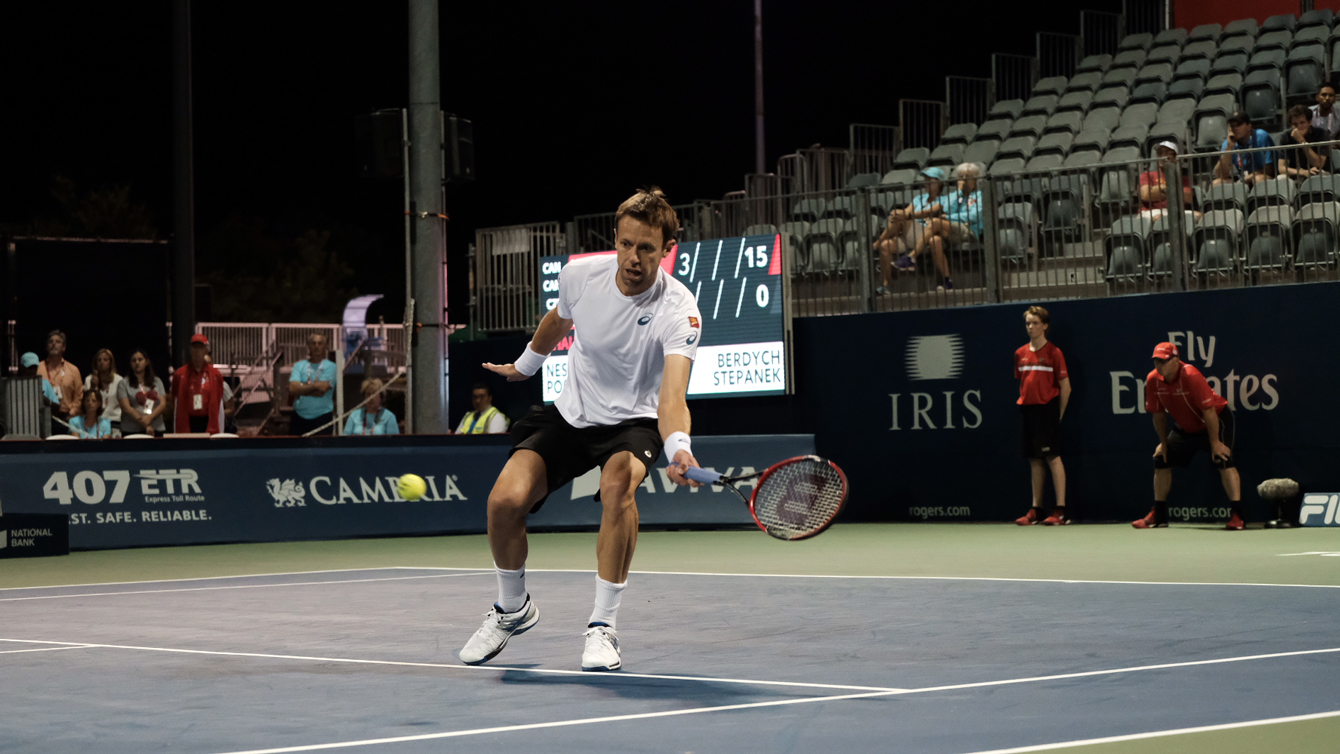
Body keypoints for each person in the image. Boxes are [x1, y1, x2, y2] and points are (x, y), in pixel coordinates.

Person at [458, 187, 703, 672]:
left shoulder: (681, 309)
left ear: (666, 250)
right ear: (616, 237)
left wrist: (680, 448)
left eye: (647, 248)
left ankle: (603, 627)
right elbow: (558, 319)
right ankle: (512, 609)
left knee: (618, 487)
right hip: (572, 415)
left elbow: (672, 398)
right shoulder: (580, 276)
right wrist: (526, 365)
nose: (634, 257)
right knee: (504, 501)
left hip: (634, 421)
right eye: (627, 244)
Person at [1133, 342, 1243, 531]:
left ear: (1176, 360)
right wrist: (1163, 443)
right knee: (1161, 458)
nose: (1160, 366)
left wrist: (1215, 442)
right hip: (1185, 427)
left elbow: (1208, 411)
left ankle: (1238, 516)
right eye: (1156, 362)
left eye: (1164, 362)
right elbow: (1158, 415)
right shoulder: (1153, 380)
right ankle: (1159, 515)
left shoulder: (1191, 375)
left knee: (1223, 459)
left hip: (1216, 419)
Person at [1013, 306, 1071, 526]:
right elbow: (1022, 381)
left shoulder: (1055, 353)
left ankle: (1061, 510)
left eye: (1035, 323)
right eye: (1028, 323)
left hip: (1048, 410)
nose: (1030, 327)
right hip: (1028, 410)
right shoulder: (1020, 353)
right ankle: (1036, 509)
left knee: (1052, 457)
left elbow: (1066, 387)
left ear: (1045, 326)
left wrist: (1058, 414)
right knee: (1034, 459)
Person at [874, 167, 948, 293]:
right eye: (925, 180)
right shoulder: (918, 199)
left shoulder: (945, 199)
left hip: (927, 234)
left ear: (939, 182)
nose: (926, 183)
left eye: (930, 180)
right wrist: (899, 215)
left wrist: (905, 215)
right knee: (886, 245)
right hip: (910, 234)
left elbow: (930, 211)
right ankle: (886, 285)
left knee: (899, 215)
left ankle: (875, 244)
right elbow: (907, 211)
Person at [170, 334, 226, 434]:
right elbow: (174, 399)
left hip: (207, 420)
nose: (197, 350)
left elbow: (219, 400)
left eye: (201, 347)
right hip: (187, 420)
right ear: (190, 349)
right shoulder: (180, 374)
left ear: (206, 350)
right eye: (195, 347)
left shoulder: (215, 374)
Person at [288, 332, 337, 436]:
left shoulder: (331, 366)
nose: (316, 346)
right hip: (299, 417)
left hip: (322, 417)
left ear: (325, 346)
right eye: (313, 343)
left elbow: (322, 391)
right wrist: (315, 386)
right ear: (308, 345)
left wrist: (301, 389)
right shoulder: (299, 365)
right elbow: (292, 388)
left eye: (320, 343)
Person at [1213, 111, 1276, 187]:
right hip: (1241, 180)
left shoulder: (1261, 136)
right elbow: (1221, 175)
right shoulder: (1228, 143)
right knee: (1217, 183)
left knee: (1258, 179)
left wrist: (1247, 178)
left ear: (1249, 126)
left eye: (1238, 125)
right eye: (1231, 125)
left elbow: (1269, 169)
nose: (1234, 129)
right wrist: (1229, 148)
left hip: (1261, 178)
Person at [36, 330, 82, 430]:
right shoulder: (38, 368)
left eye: (57, 342)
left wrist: (72, 412)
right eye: (51, 341)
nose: (54, 344)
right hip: (43, 416)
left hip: (66, 417)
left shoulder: (73, 370)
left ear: (64, 347)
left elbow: (79, 396)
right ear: (47, 346)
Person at [1138, 141, 1197, 220]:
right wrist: (1173, 191)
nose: (1162, 156)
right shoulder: (1146, 175)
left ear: (1175, 158)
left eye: (1167, 153)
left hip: (1175, 211)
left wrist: (1162, 190)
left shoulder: (1184, 179)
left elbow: (1188, 198)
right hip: (1151, 211)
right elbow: (1146, 195)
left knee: (1199, 216)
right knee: (1160, 219)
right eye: (1159, 153)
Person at [117, 349, 169, 436]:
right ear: (130, 364)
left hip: (156, 427)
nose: (137, 362)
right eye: (134, 360)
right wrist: (145, 424)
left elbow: (162, 404)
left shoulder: (157, 381)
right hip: (132, 430)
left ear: (146, 362)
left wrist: (149, 418)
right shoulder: (123, 383)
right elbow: (126, 408)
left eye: (140, 359)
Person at [1278, 104, 1331, 179]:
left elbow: (1318, 164)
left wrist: (1302, 141)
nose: (1299, 127)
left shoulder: (1321, 134)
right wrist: (1302, 172)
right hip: (1296, 173)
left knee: (1319, 174)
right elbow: (1281, 168)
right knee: (1281, 178)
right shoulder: (1285, 136)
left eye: (1302, 123)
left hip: (1318, 171)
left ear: (1309, 122)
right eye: (1295, 124)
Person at [83, 348, 124, 435]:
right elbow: (86, 403)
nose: (102, 362)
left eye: (105, 360)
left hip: (115, 422)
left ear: (111, 362)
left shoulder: (119, 380)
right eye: (99, 360)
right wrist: (93, 386)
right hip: (96, 422)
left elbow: (123, 404)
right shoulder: (89, 379)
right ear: (95, 363)